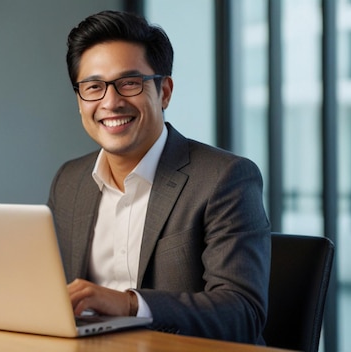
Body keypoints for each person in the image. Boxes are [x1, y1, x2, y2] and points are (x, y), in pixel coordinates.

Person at [47, 10, 271, 344]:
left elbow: (243, 315)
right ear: (80, 101)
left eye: (129, 83)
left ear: (164, 91)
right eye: (93, 87)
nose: (111, 102)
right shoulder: (69, 181)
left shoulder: (225, 179)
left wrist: (128, 303)